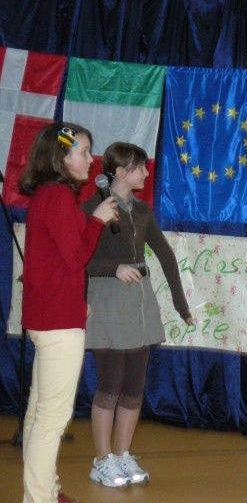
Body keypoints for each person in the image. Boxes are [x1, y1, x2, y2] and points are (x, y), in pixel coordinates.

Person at [82, 142, 194, 488]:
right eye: (139, 167)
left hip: (140, 305)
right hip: (107, 303)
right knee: (110, 384)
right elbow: (77, 258)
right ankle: (101, 460)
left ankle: (121, 454)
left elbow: (165, 255)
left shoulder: (143, 211)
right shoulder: (92, 207)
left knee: (133, 386)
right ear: (119, 172)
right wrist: (112, 268)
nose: (146, 173)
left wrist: (181, 305)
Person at [19, 123, 118, 503]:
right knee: (51, 419)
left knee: (39, 414)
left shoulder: (48, 195)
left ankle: (43, 491)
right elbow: (76, 257)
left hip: (50, 315)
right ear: (62, 156)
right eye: (84, 152)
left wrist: (76, 300)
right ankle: (39, 498)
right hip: (57, 323)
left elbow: (54, 263)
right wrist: (98, 221)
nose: (91, 160)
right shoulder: (58, 197)